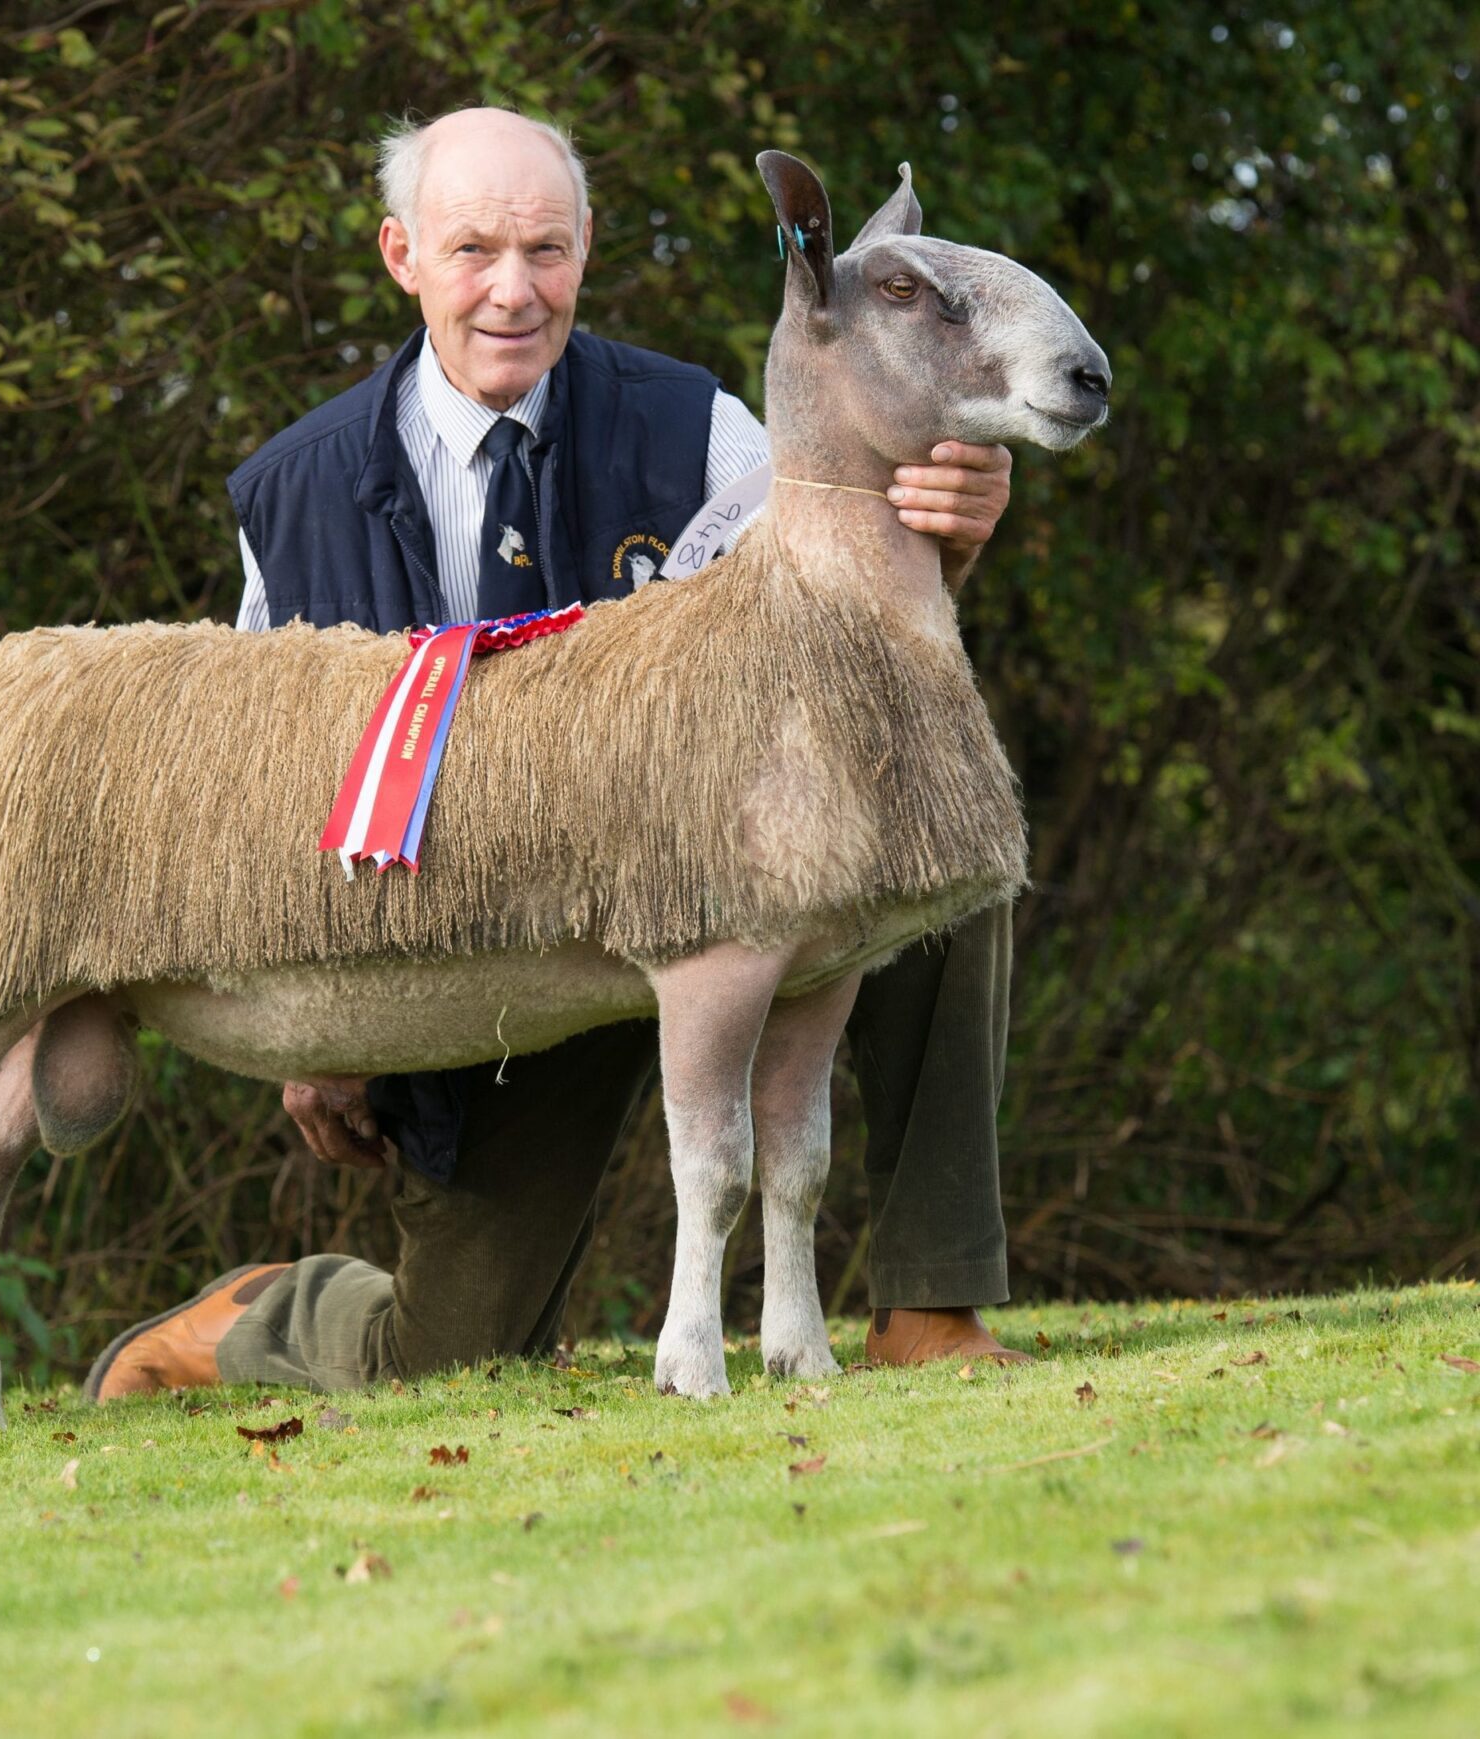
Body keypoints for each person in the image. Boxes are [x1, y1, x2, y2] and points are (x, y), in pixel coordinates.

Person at [85, 108, 1029, 1402]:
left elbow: (849, 663)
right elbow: (276, 783)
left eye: (547, 248)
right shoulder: (290, 493)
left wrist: (951, 538)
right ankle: (264, 1315)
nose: (514, 291)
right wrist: (309, 1009)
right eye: (474, 250)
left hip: (729, 886)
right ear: (401, 255)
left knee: (925, 854)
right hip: (499, 962)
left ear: (587, 250)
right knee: (450, 1362)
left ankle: (930, 1299)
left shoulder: (702, 432)